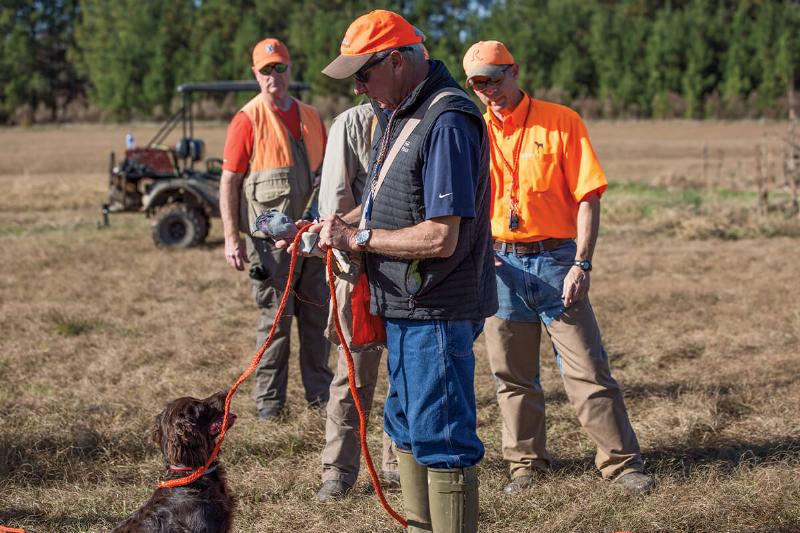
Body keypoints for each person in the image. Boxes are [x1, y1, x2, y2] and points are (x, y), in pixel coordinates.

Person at [306, 10, 497, 532]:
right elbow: (377, 207)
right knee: (407, 425)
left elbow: (440, 235)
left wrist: (357, 239)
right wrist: (324, 226)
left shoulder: (448, 118)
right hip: (405, 306)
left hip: (436, 307)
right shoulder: (402, 112)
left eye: (363, 76)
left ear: (396, 60)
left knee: (442, 437)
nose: (360, 89)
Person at [461, 40, 655, 496]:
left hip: (555, 261)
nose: (488, 91)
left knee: (587, 368)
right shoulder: (472, 129)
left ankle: (623, 465)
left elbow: (588, 197)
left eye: (494, 79)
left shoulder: (561, 121)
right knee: (511, 374)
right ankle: (526, 466)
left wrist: (582, 264)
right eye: (477, 84)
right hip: (500, 263)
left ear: (515, 71)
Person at [219, 37, 332, 421]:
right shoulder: (246, 120)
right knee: (275, 324)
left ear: (290, 69)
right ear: (255, 74)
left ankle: (320, 398)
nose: (274, 76)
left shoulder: (312, 117)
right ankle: (270, 406)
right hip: (270, 248)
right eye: (266, 70)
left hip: (313, 240)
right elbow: (229, 183)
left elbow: (330, 178)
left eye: (279, 67)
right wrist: (232, 238)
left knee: (319, 320)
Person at [315, 103, 399, 501]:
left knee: (407, 371)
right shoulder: (350, 124)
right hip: (360, 269)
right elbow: (333, 210)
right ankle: (338, 471)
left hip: (413, 268)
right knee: (353, 374)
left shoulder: (425, 117)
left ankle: (399, 461)